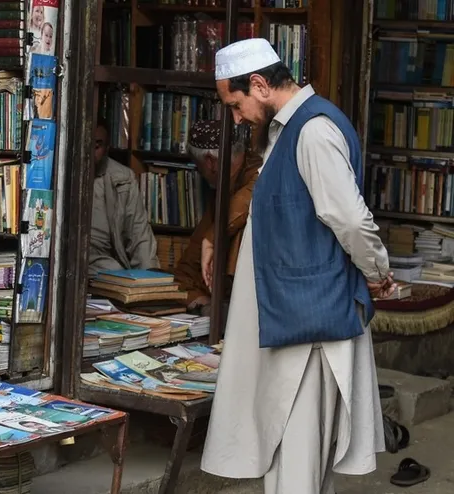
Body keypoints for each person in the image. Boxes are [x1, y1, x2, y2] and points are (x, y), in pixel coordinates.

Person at [199, 38, 396, 494]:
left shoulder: (313, 130)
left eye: (236, 104)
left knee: (298, 459)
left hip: (310, 327)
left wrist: (375, 270)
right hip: (292, 317)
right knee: (289, 456)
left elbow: (348, 216)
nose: (236, 117)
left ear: (259, 84)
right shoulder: (286, 131)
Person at [172, 120, 260, 315]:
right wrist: (197, 299)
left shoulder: (258, 175)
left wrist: (212, 237)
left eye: (198, 166)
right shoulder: (222, 191)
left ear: (210, 162)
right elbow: (189, 266)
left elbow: (251, 195)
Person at [88, 119, 159, 276]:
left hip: (106, 262)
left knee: (114, 270)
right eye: (86, 143)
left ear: (106, 149)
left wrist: (149, 280)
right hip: (76, 258)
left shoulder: (122, 178)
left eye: (97, 146)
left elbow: (138, 232)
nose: (90, 151)